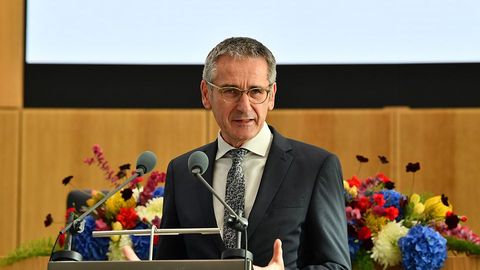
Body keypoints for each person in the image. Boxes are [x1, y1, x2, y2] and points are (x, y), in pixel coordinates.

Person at [125, 37, 351, 269]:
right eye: (230, 91)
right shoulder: (184, 171)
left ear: (271, 95)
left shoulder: (315, 167)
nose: (244, 106)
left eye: (255, 91)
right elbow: (171, 262)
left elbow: (337, 265)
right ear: (206, 94)